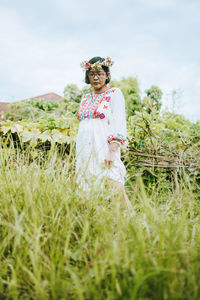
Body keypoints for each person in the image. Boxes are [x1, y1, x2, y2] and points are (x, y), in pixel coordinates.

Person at [75, 56, 131, 208]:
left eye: (99, 73)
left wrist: (112, 150)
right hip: (85, 149)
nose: (95, 77)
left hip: (104, 147)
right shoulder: (85, 98)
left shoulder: (114, 93)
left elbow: (119, 122)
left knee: (114, 185)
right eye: (91, 74)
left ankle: (134, 224)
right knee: (87, 188)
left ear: (107, 75)